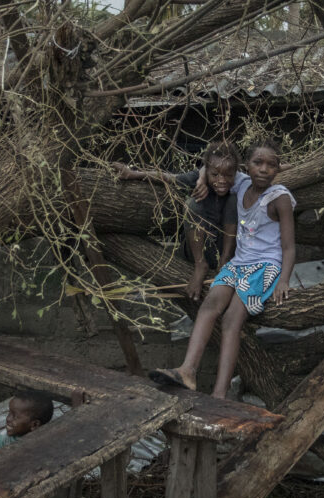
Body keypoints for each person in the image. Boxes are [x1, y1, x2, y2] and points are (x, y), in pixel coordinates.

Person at [149, 139, 295, 399]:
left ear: (278, 169)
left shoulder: (280, 198)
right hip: (237, 263)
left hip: (264, 267)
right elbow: (211, 166)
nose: (263, 169)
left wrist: (284, 280)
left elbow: (288, 247)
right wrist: (202, 178)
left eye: (271, 165)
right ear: (246, 166)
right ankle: (187, 371)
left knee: (231, 320)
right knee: (209, 306)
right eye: (257, 163)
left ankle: (220, 392)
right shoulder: (240, 183)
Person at [114, 141, 241, 301]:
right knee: (192, 204)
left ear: (235, 173)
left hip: (225, 249)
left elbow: (271, 173)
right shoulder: (197, 178)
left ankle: (225, 261)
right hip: (198, 248)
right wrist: (133, 174)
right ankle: (200, 265)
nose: (221, 180)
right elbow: (169, 178)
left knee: (233, 202)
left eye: (228, 175)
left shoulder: (242, 183)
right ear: (206, 172)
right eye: (215, 175)